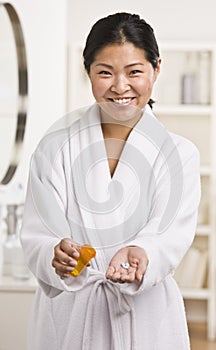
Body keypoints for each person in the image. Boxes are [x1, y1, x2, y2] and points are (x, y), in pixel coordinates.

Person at [21, 12, 201, 350]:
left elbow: (172, 234)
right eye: (105, 73)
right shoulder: (55, 146)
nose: (120, 87)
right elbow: (37, 231)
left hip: (146, 316)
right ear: (87, 71)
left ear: (156, 68)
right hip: (71, 312)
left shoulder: (180, 154)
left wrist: (144, 252)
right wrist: (54, 252)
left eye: (134, 72)